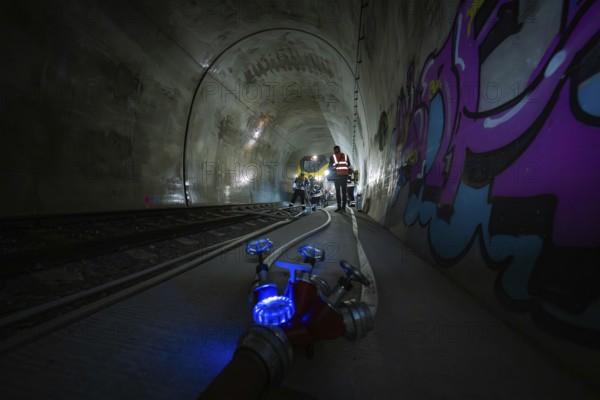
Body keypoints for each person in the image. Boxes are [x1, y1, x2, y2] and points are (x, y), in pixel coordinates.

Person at [328, 145, 352, 212]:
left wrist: (332, 171)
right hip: (344, 175)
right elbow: (349, 164)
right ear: (339, 149)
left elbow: (329, 167)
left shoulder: (332, 157)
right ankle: (344, 208)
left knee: (338, 192)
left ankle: (339, 207)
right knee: (344, 191)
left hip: (337, 176)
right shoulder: (346, 156)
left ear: (334, 150)